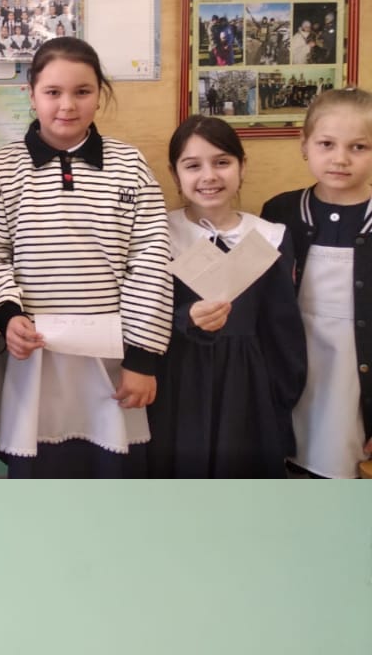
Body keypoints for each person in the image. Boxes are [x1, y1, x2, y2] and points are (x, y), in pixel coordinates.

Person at [0, 37, 172, 477]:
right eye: (52, 92)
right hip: (34, 359)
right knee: (39, 487)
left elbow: (151, 261)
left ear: (99, 93)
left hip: (114, 362)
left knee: (112, 482)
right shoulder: (1, 169)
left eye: (82, 91)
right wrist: (7, 316)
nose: (67, 105)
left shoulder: (130, 166)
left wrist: (142, 358)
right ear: (31, 95)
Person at [148, 115, 306, 476]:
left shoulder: (270, 237)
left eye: (222, 162)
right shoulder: (160, 234)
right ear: (175, 174)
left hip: (247, 387)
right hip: (177, 381)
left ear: (242, 166)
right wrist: (184, 318)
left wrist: (280, 401)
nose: (209, 176)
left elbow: (283, 331)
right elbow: (142, 312)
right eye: (193, 166)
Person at [262, 87, 372, 477]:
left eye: (359, 147)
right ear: (304, 145)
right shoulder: (280, 211)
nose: (341, 158)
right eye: (327, 144)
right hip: (294, 363)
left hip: (354, 376)